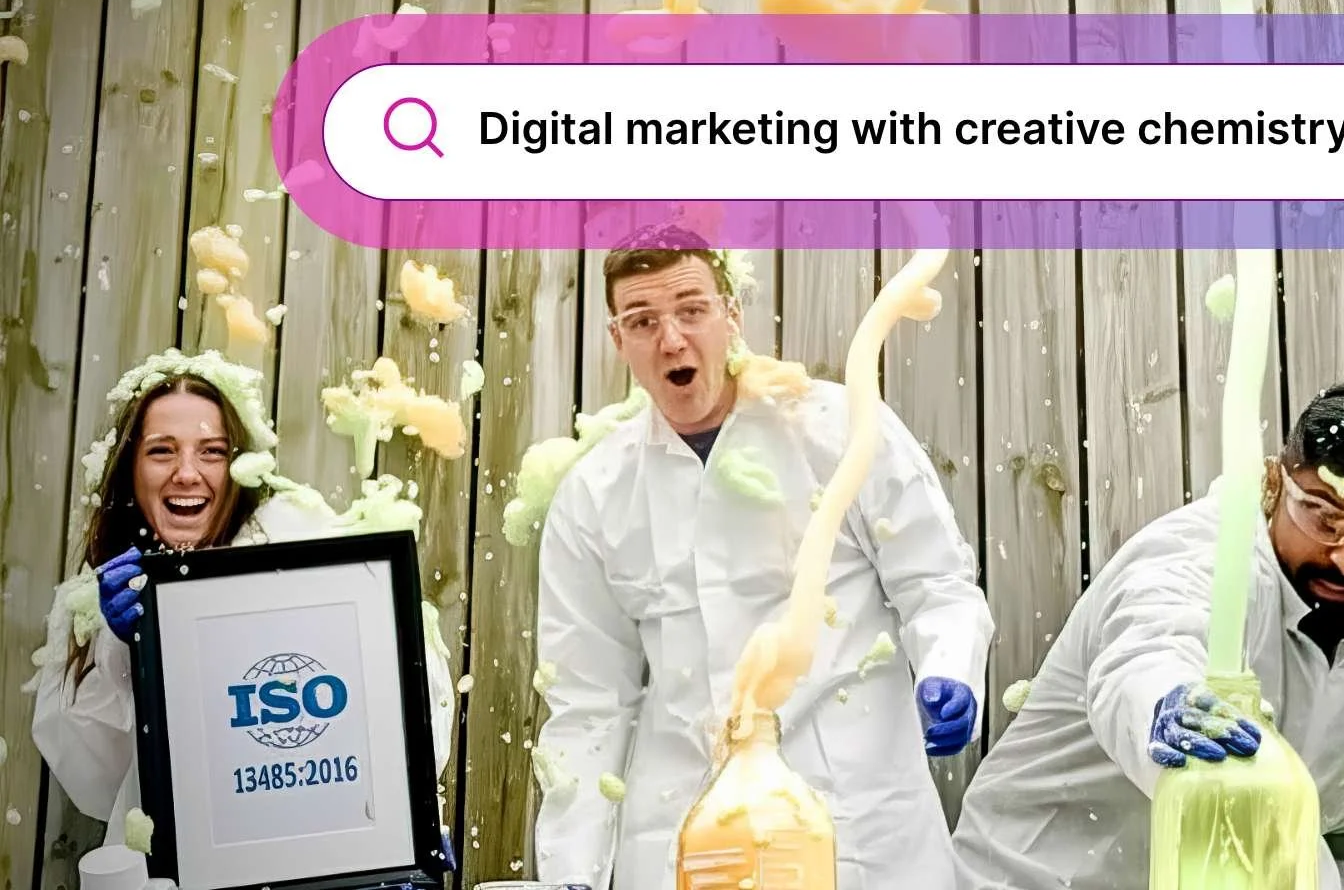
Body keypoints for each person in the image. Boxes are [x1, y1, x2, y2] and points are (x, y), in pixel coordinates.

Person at [531, 230, 994, 890]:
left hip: (856, 822)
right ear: (618, 341)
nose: (671, 340)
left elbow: (938, 585)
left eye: (692, 309)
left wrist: (950, 670)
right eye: (643, 321)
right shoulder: (594, 495)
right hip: (688, 833)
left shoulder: (840, 428)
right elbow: (587, 701)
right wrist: (571, 866)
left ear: (732, 317)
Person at [951, 378, 1344, 889]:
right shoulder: (1201, 553)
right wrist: (1165, 702)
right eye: (1324, 519)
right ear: (1273, 483)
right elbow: (1149, 646)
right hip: (1034, 874)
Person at [28, 350, 457, 857]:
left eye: (211, 451)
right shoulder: (96, 602)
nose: (187, 473)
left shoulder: (305, 545)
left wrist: (401, 820)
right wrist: (122, 655)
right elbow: (92, 781)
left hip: (318, 859)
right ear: (130, 468)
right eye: (162, 451)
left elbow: (419, 703)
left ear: (238, 467)